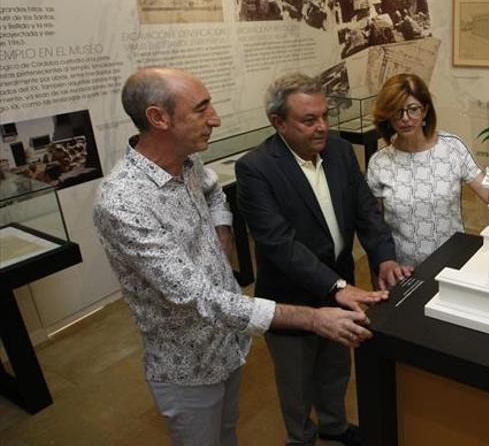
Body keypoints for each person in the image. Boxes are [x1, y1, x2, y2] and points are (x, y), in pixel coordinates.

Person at [93, 67, 385, 446]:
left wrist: (220, 240)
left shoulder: (187, 162)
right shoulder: (122, 202)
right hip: (188, 362)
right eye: (201, 109)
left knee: (227, 432)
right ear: (158, 118)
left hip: (227, 343)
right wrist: (311, 318)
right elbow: (199, 298)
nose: (214, 118)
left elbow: (215, 193)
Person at [235, 73, 411, 446]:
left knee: (334, 368)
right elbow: (279, 244)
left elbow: (366, 212)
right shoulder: (256, 169)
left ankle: (333, 425)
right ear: (278, 122)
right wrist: (338, 287)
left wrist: (384, 257)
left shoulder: (340, 151)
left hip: (340, 287)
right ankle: (301, 438)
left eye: (324, 116)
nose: (322, 128)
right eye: (309, 120)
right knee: (296, 381)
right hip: (291, 296)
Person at [366, 73, 489, 267]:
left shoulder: (453, 148)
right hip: (404, 272)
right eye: (397, 112)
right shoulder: (379, 163)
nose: (406, 119)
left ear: (425, 111)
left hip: (452, 265)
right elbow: (375, 229)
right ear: (388, 117)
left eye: (413, 109)